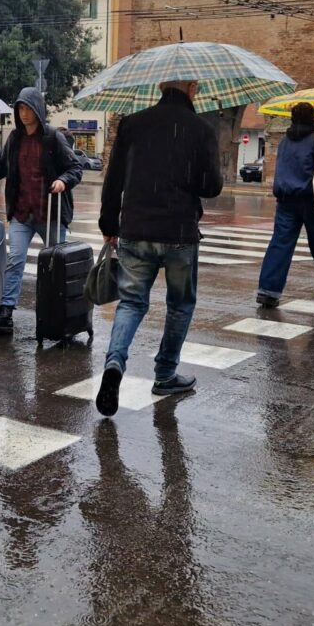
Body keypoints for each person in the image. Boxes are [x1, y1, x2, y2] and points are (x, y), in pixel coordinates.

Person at [94, 80, 223, 416]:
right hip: (179, 232)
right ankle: (165, 374)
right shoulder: (202, 129)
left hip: (135, 229)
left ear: (162, 85)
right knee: (180, 305)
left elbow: (114, 178)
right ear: (193, 88)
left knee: (132, 303)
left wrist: (109, 223)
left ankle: (114, 364)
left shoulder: (132, 124)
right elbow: (211, 187)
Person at [0, 87, 83, 332]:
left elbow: (75, 168)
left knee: (56, 268)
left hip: (50, 214)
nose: (24, 114)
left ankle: (59, 317)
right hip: (23, 213)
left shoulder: (53, 137)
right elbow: (2, 166)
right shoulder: (14, 138)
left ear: (38, 110)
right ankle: (6, 314)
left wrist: (63, 181)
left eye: (28, 108)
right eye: (20, 108)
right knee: (15, 261)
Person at [256, 102, 314, 308]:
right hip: (312, 200)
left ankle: (268, 290)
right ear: (313, 117)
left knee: (280, 244)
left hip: (286, 200)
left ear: (292, 118)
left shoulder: (285, 141)